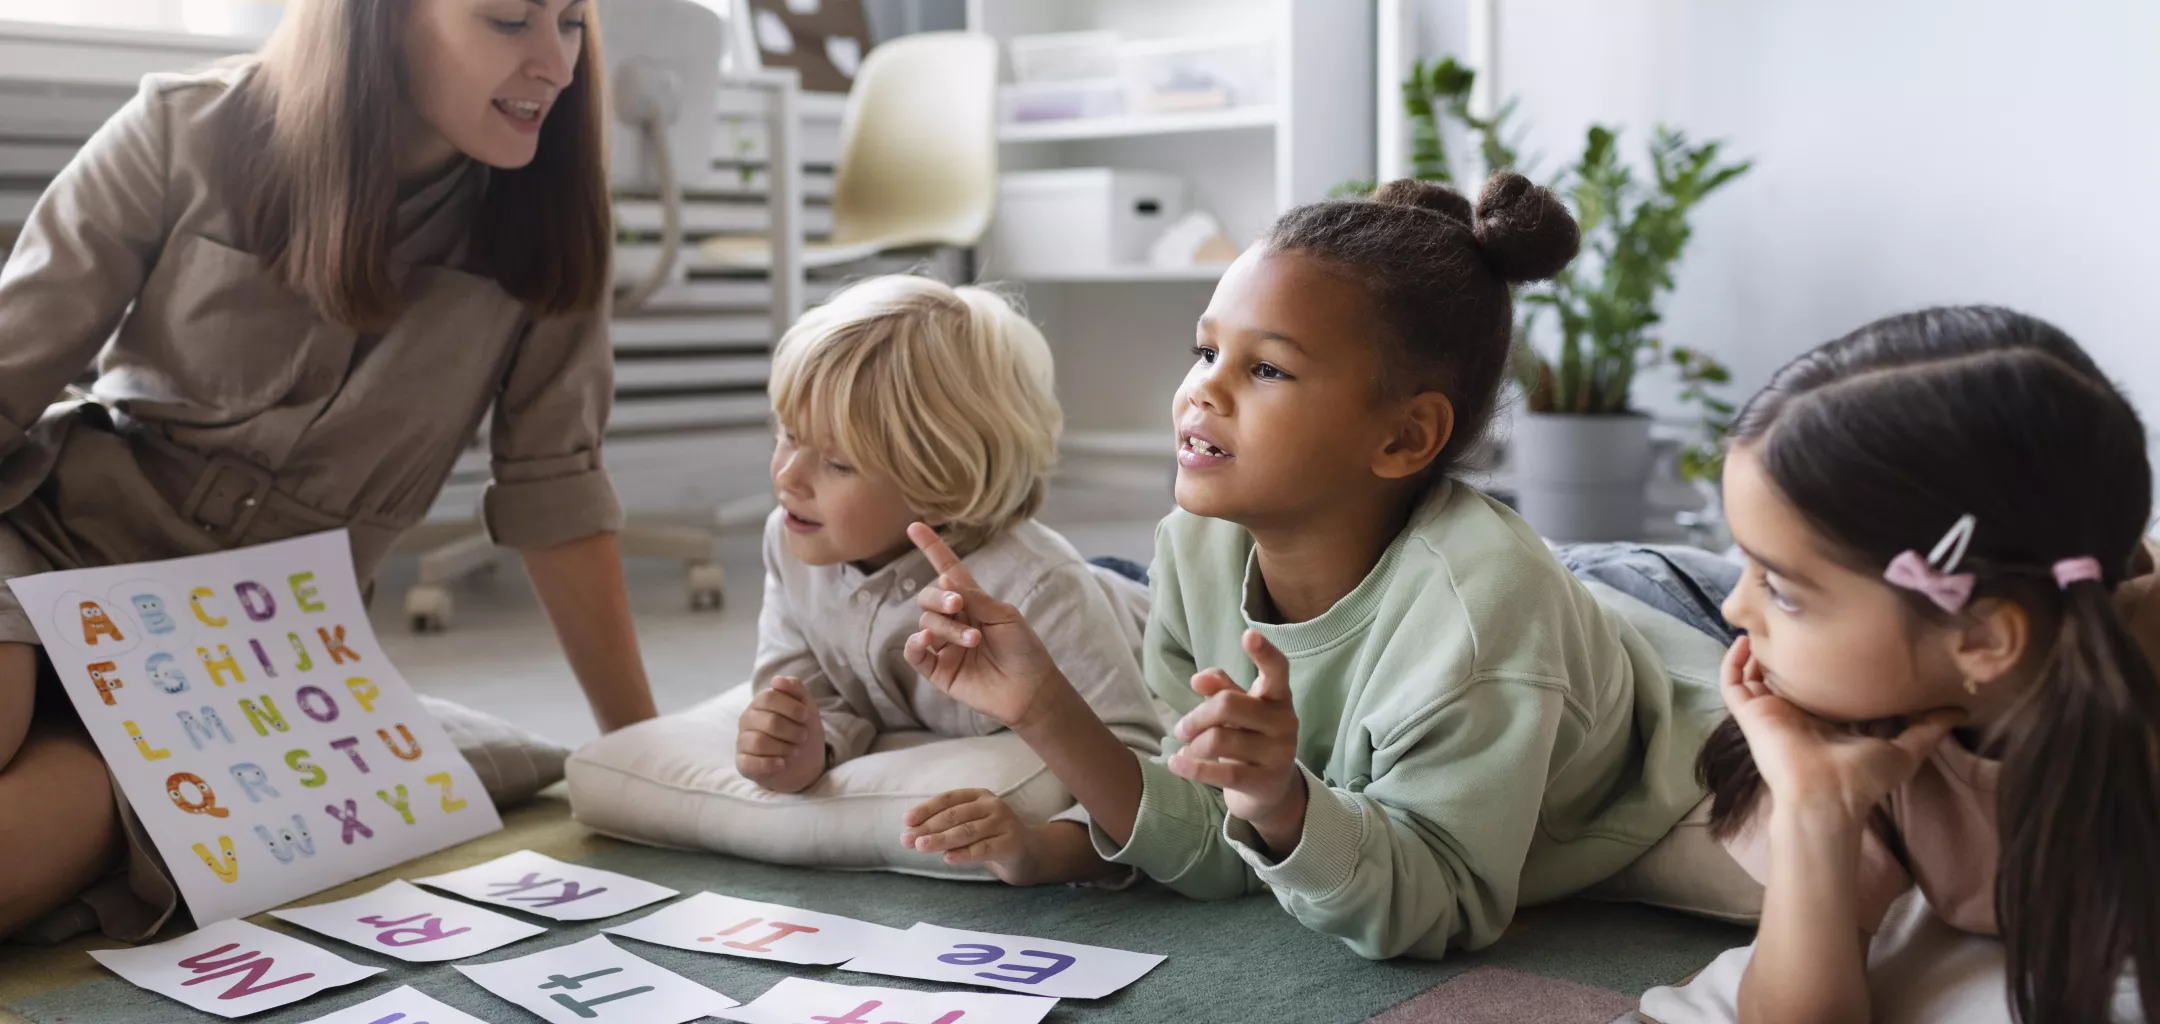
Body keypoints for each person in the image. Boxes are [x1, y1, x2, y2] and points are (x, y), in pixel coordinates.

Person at [895, 174, 1731, 959]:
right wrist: (1042, 705)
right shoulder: (1193, 545)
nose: (1201, 392)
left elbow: (1440, 905)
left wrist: (1282, 803)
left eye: (1265, 368)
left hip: (1676, 613)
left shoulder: (1482, 625)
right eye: (1204, 351)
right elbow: (1214, 849)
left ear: (1404, 437)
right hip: (1559, 588)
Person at [0, 0, 657, 941]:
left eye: (570, 22)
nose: (554, 61)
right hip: (47, 544)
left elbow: (558, 494)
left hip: (245, 665)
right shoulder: (183, 127)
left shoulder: (547, 224)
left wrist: (647, 756)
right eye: (509, 20)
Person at [737, 275, 1162, 883]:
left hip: (1140, 610)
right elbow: (809, 688)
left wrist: (1042, 851)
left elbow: (1138, 772)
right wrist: (803, 745)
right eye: (788, 435)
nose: (789, 477)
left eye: (835, 462)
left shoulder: (1040, 590)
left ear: (938, 488)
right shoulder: (792, 537)